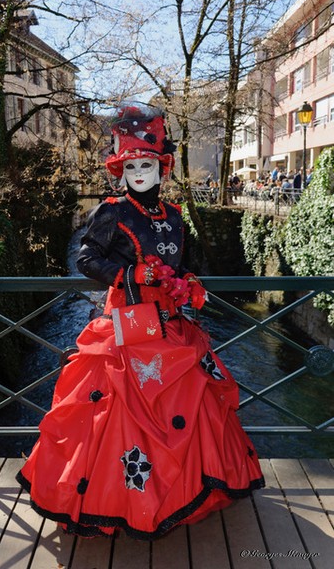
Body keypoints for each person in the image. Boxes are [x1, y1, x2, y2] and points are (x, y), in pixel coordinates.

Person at [16, 103, 264, 540]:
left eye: (147, 164)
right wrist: (131, 274)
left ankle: (182, 493)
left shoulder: (174, 216)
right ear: (121, 169)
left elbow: (178, 264)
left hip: (171, 322)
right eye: (132, 165)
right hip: (128, 324)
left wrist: (187, 283)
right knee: (116, 408)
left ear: (161, 166)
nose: (139, 172)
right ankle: (118, 501)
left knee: (191, 397)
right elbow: (86, 258)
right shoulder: (112, 211)